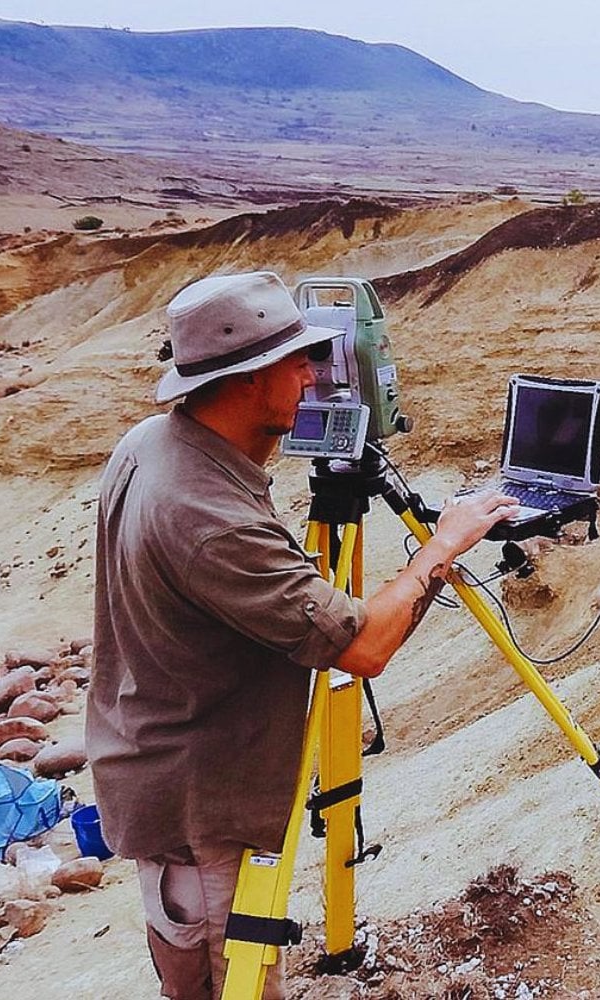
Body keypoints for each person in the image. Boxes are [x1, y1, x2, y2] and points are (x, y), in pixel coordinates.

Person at [87, 271, 520, 1000]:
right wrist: (441, 548)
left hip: (163, 770)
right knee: (236, 987)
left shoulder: (154, 444)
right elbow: (363, 648)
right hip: (205, 810)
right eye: (300, 360)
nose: (316, 375)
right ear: (251, 379)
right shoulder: (206, 516)